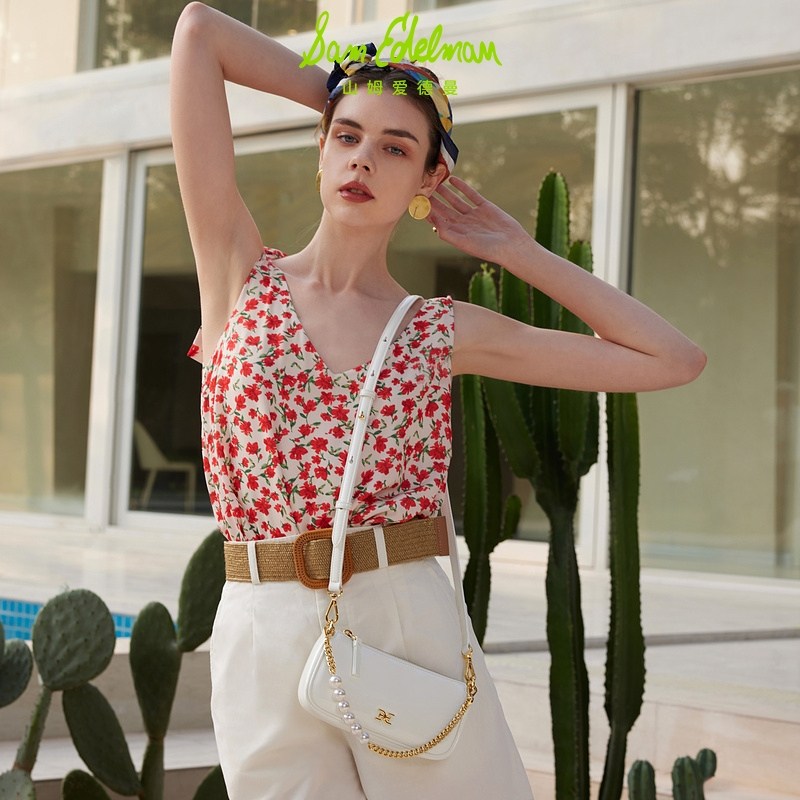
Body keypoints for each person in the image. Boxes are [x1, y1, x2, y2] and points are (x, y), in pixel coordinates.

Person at [171, 4, 706, 799]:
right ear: (321, 149)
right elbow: (199, 34)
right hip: (261, 620)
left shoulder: (436, 329)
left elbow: (674, 359)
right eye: (347, 137)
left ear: (429, 181)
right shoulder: (237, 275)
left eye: (396, 148)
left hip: (402, 616)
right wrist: (353, 87)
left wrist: (521, 252)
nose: (363, 159)